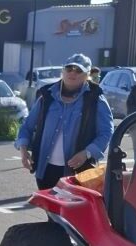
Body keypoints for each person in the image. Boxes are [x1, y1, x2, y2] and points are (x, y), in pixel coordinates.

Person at [16, 53, 113, 189]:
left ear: (87, 75)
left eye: (79, 70)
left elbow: (106, 132)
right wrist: (23, 149)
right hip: (45, 171)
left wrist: (87, 153)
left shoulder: (95, 98)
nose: (72, 73)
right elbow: (27, 125)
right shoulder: (47, 95)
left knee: (71, 210)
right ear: (63, 71)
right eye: (69, 69)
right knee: (51, 210)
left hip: (78, 173)